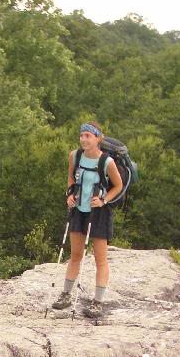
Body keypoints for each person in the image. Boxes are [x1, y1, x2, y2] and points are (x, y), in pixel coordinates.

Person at [52, 122, 123, 318]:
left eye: (88, 136)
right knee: (75, 255)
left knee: (100, 259)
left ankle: (97, 302)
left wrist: (104, 200)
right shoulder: (74, 156)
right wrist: (70, 194)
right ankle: (66, 295)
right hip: (79, 210)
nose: (83, 139)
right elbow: (71, 177)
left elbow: (118, 186)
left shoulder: (107, 162)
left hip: (99, 212)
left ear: (98, 138)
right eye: (82, 135)